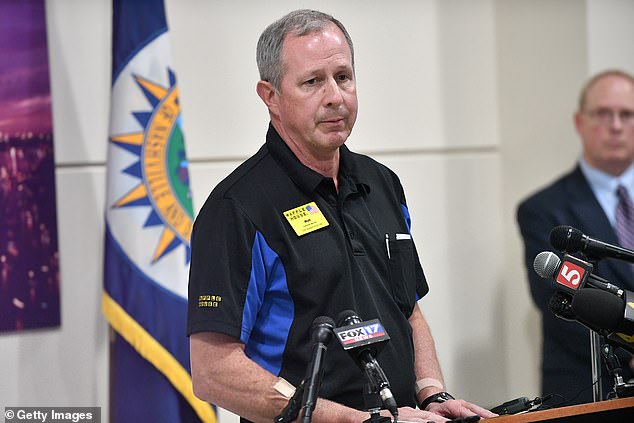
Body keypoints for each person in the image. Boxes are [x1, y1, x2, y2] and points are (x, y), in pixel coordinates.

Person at [188, 9, 496, 422]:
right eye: (313, 81)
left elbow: (409, 310)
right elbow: (214, 372)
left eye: (343, 77)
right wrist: (353, 420)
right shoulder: (237, 209)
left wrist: (432, 394)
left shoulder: (382, 183)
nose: (335, 96)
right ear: (270, 97)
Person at [517, 69, 634, 405]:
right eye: (603, 114)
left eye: (627, 114)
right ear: (580, 123)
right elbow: (563, 305)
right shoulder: (543, 210)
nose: (615, 125)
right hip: (589, 388)